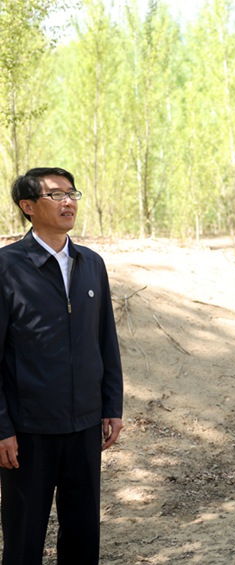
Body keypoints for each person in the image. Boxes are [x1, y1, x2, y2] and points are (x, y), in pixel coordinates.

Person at [0, 167, 124, 564]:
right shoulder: (8, 267)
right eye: (56, 195)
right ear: (28, 207)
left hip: (85, 425)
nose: (68, 201)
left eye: (72, 193)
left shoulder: (91, 263)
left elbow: (105, 340)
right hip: (28, 430)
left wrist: (112, 406)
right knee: (23, 537)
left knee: (84, 533)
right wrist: (2, 427)